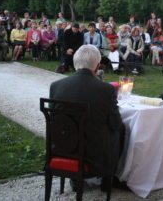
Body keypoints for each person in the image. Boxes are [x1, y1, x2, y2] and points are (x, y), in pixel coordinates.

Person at [49, 45, 124, 184]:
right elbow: (115, 124)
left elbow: (56, 122)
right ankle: (109, 179)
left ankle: (75, 180)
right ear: (97, 67)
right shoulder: (106, 90)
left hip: (62, 148)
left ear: (75, 63)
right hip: (93, 156)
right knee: (121, 130)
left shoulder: (56, 86)